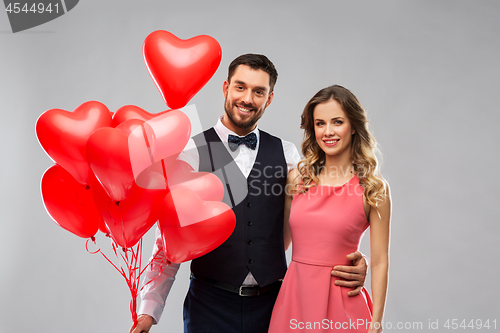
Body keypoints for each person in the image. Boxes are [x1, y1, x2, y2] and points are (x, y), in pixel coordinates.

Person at [130, 55, 369, 333]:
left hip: (274, 307)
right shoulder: (191, 153)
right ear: (225, 88)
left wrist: (352, 258)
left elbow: (324, 219)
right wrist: (148, 312)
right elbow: (168, 244)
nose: (247, 98)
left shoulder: (288, 155)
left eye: (259, 92)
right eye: (240, 87)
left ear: (269, 99)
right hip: (208, 307)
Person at [268, 85, 391, 332]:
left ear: (354, 126)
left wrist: (376, 324)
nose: (328, 131)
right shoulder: (297, 179)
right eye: (320, 123)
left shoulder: (373, 189)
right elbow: (278, 244)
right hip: (294, 301)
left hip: (343, 307)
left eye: (337, 122)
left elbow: (380, 261)